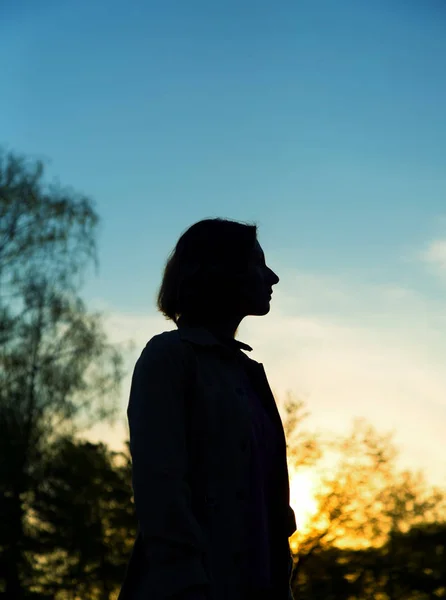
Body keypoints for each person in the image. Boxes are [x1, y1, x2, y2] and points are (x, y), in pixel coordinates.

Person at [118, 218, 296, 600]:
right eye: (258, 263)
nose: (273, 277)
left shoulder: (249, 374)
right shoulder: (169, 358)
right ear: (221, 271)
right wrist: (186, 582)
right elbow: (160, 487)